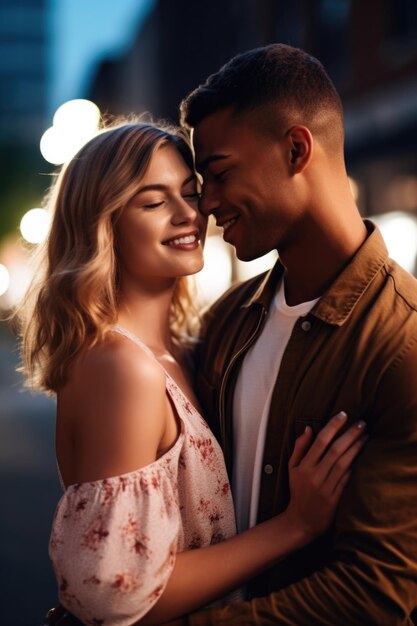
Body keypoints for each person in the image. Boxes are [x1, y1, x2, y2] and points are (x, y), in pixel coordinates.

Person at [16, 118, 365, 626]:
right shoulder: (121, 366)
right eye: (154, 202)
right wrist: (295, 526)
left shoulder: (182, 346)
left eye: (189, 193)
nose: (189, 215)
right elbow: (121, 597)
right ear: (102, 224)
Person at [179, 43, 417, 625]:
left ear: (295, 149)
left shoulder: (401, 346)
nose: (207, 205)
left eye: (220, 174)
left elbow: (377, 594)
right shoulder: (227, 321)